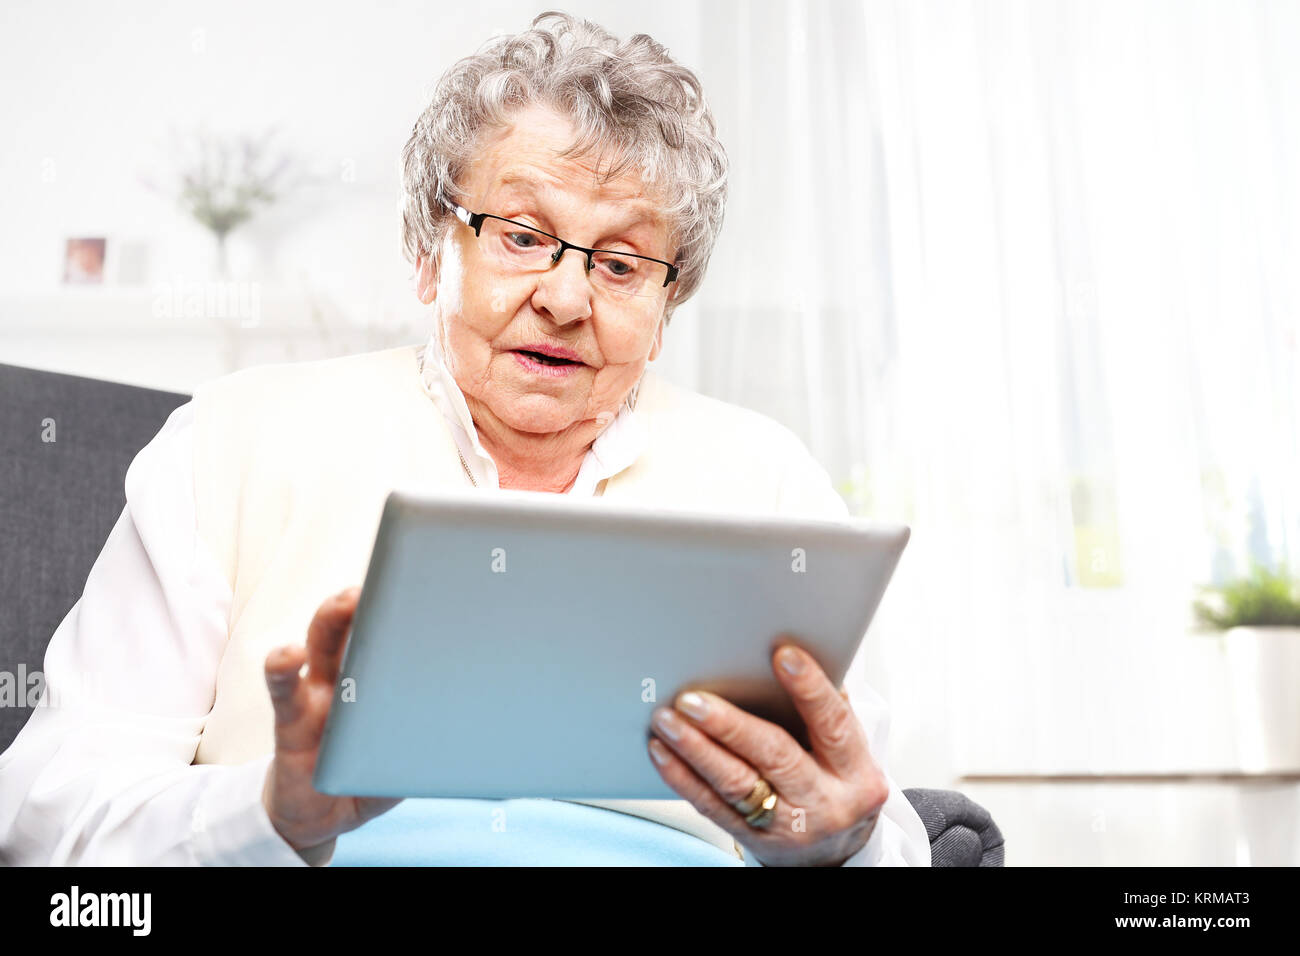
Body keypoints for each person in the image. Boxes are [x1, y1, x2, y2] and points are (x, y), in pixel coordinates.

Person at [0, 11, 929, 867]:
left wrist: (834, 845)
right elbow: (46, 818)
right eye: (521, 235)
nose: (567, 300)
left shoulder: (766, 478)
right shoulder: (227, 442)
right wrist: (274, 810)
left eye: (620, 262)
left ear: (667, 301)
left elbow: (874, 823)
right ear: (424, 248)